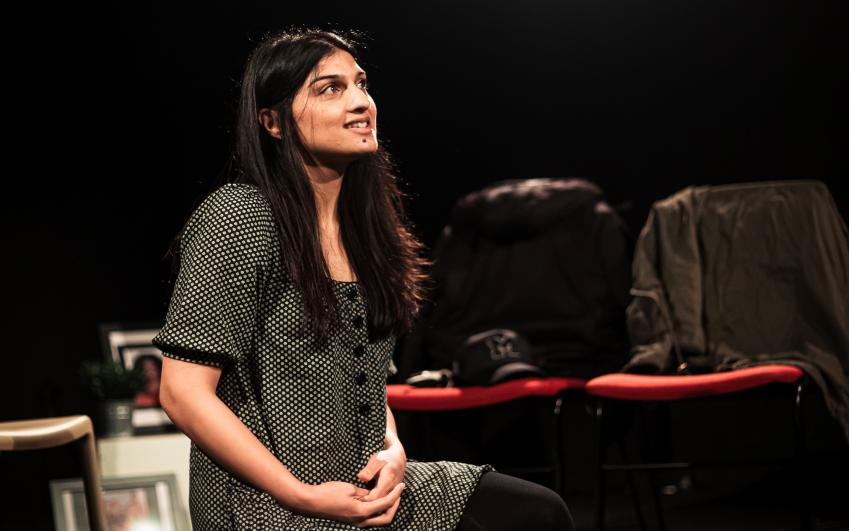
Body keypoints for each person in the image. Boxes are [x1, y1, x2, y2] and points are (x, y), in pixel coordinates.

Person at [153, 28, 574, 530]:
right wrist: (300, 495)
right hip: (273, 502)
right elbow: (182, 394)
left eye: (361, 84)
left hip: (363, 486)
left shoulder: (366, 231)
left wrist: (393, 451)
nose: (360, 103)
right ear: (272, 122)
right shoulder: (240, 217)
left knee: (536, 513)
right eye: (329, 88)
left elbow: (369, 382)